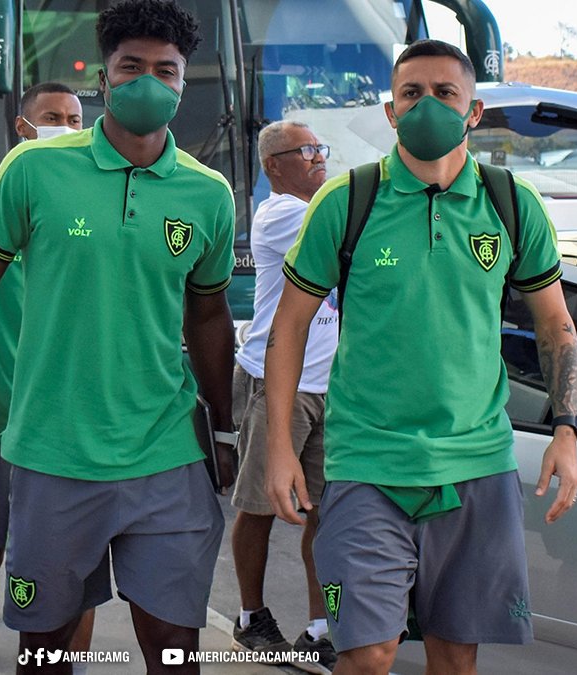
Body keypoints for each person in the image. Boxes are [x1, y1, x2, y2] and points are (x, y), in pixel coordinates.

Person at [0, 1, 237, 673]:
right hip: (52, 453)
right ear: (103, 78)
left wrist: (226, 424)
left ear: (183, 83)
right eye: (131, 67)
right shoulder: (34, 172)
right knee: (45, 651)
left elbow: (206, 316)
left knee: (175, 652)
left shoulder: (209, 194)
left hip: (166, 451)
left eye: (165, 70)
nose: (148, 81)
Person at [265, 39, 577, 675]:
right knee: (366, 653)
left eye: (445, 93)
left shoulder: (513, 205)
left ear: (474, 110)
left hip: (476, 462)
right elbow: (288, 330)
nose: (427, 105)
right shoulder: (346, 203)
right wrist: (278, 446)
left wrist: (565, 432)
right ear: (390, 110)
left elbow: (557, 329)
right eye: (412, 93)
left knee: (456, 657)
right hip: (365, 463)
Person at [0, 81, 94, 674]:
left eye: (75, 116)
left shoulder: (96, 200)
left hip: (68, 420)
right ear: (24, 130)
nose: (66, 125)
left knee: (77, 566)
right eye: (51, 117)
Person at [229, 120, 337, 671]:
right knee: (259, 506)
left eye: (321, 149)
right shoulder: (283, 215)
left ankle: (321, 628)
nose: (320, 158)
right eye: (307, 151)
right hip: (278, 386)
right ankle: (251, 617)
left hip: (329, 388)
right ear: (275, 166)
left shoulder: (321, 207)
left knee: (322, 512)